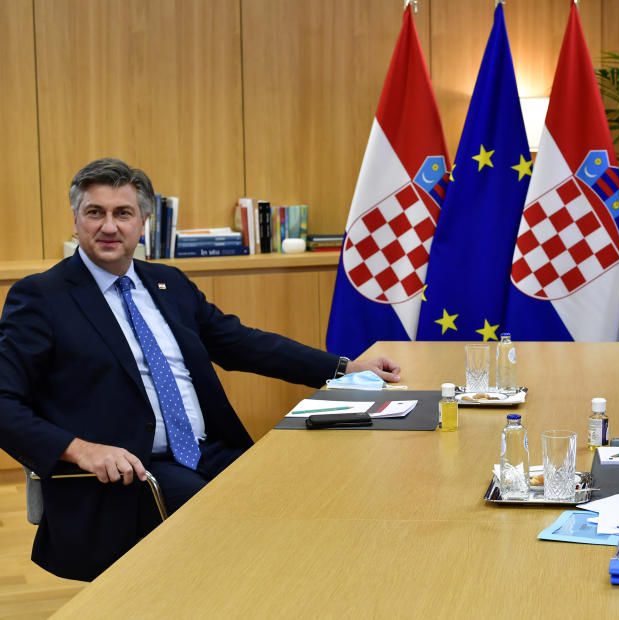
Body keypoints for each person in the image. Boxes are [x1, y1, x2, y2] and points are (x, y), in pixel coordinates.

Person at [0, 158, 400, 581]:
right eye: (95, 212)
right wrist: (80, 449)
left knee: (304, 497)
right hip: (131, 471)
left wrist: (344, 368)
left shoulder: (168, 283)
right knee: (232, 533)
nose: (109, 226)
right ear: (76, 220)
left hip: (209, 451)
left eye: (123, 213)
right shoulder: (41, 298)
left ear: (143, 223)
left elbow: (244, 344)